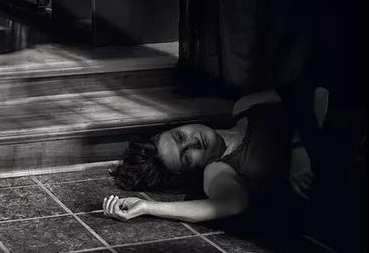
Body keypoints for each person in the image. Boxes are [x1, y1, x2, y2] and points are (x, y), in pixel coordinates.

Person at [102, 86, 329, 226]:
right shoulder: (217, 170)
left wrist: (299, 147)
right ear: (189, 171)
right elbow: (232, 204)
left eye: (180, 136)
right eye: (187, 157)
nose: (192, 142)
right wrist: (147, 207)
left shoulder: (245, 105)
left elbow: (314, 93)